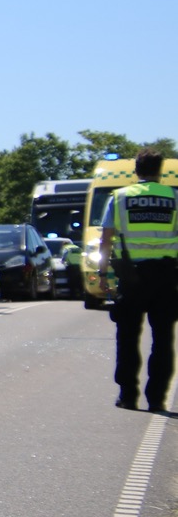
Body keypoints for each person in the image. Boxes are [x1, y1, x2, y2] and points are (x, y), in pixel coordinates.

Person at [98, 150, 178, 412]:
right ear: (160, 170)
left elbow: (106, 239)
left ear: (136, 170)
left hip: (132, 277)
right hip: (167, 276)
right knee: (163, 338)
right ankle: (156, 398)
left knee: (128, 337)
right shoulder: (174, 198)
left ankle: (128, 396)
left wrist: (102, 274)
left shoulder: (120, 197)